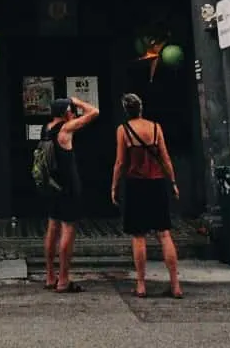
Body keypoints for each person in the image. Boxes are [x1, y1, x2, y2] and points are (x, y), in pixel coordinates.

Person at [110, 93, 183, 299]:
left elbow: (120, 162)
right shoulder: (155, 128)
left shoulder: (123, 130)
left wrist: (114, 186)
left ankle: (141, 284)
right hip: (157, 182)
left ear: (126, 110)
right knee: (164, 233)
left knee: (138, 235)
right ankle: (175, 284)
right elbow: (165, 158)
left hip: (136, 184)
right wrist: (173, 182)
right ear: (141, 108)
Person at [42, 96, 99, 293]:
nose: (73, 113)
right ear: (65, 113)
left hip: (52, 185)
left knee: (52, 227)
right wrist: (79, 101)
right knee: (68, 229)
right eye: (70, 110)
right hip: (67, 185)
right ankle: (64, 279)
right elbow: (94, 112)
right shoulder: (65, 129)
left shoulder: (47, 128)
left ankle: (50, 275)